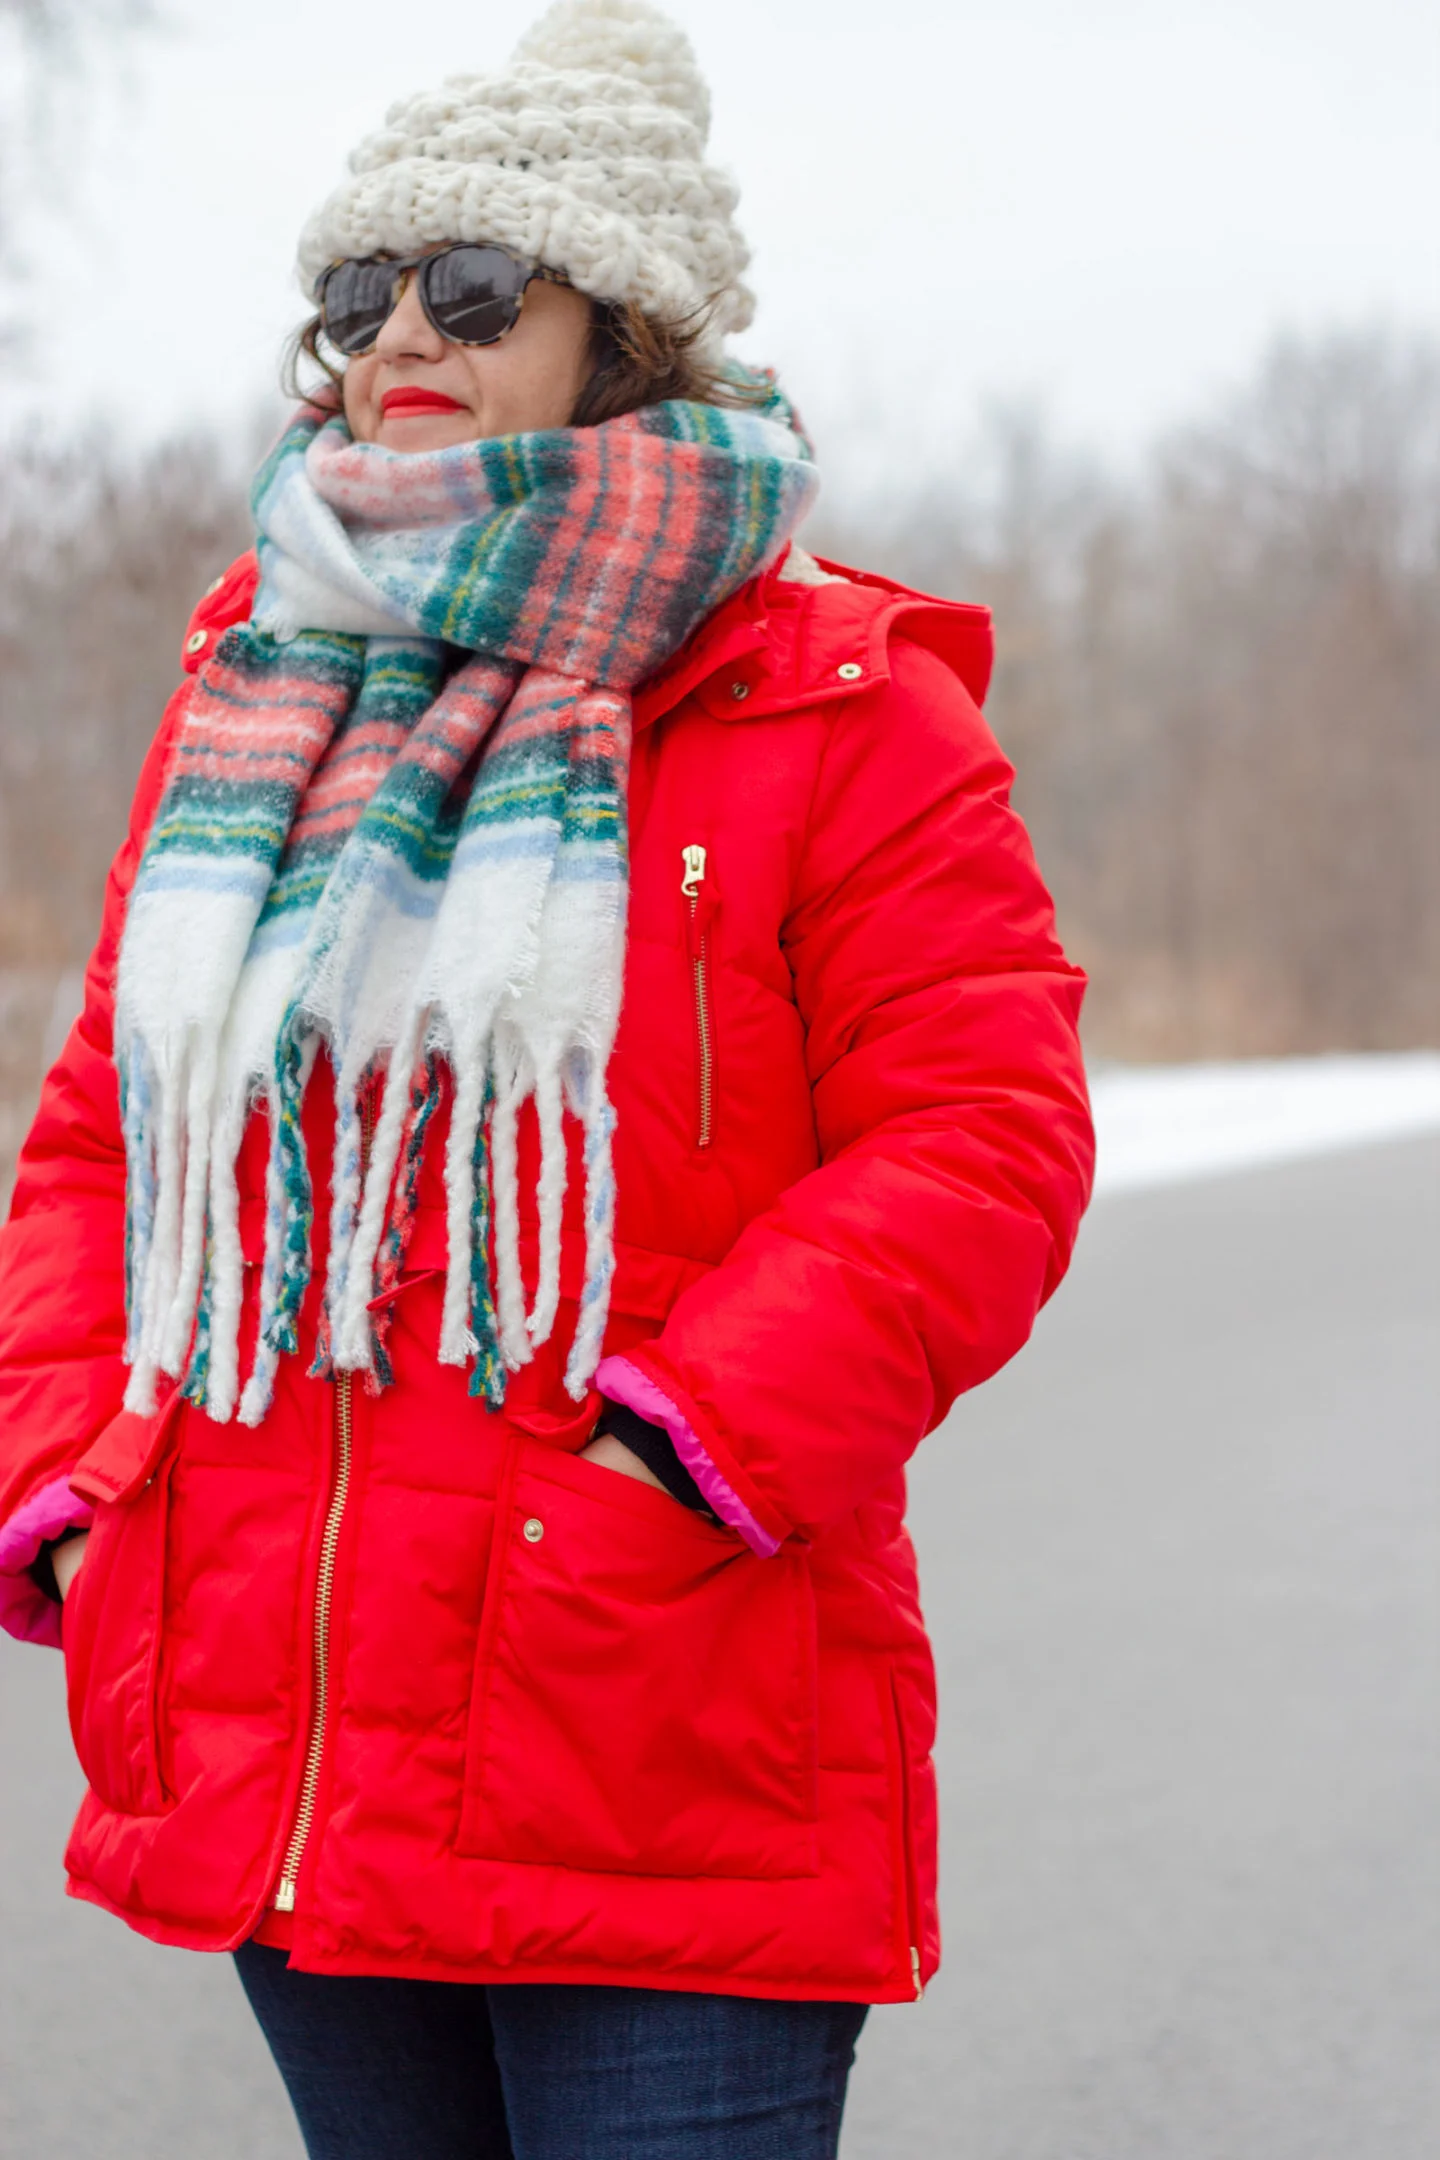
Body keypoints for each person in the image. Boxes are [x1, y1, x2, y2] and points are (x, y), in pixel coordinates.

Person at [0, 3, 1094, 2154]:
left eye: (476, 285)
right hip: (288, 1733)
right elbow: (107, 1135)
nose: (403, 328)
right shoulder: (258, 682)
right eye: (359, 290)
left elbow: (982, 1137)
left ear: (630, 328)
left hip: (649, 1722)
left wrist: (681, 1452)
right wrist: (69, 1480)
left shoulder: (835, 707)